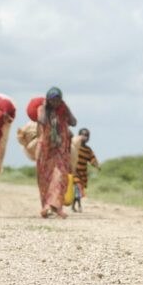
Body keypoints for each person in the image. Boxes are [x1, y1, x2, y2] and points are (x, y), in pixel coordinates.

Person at [32, 87, 76, 219]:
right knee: (45, 180)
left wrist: (66, 108)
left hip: (60, 150)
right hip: (45, 150)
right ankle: (46, 207)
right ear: (48, 100)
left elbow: (74, 122)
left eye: (58, 100)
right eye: (53, 100)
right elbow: (42, 121)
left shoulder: (63, 111)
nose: (56, 103)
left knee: (60, 177)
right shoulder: (42, 110)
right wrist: (46, 106)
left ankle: (56, 207)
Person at [72, 128, 101, 213]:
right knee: (78, 189)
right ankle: (79, 206)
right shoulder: (75, 146)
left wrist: (97, 165)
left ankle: (74, 206)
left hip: (82, 173)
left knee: (78, 190)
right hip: (74, 172)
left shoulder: (88, 150)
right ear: (78, 136)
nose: (85, 137)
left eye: (87, 135)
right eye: (83, 135)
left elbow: (92, 159)